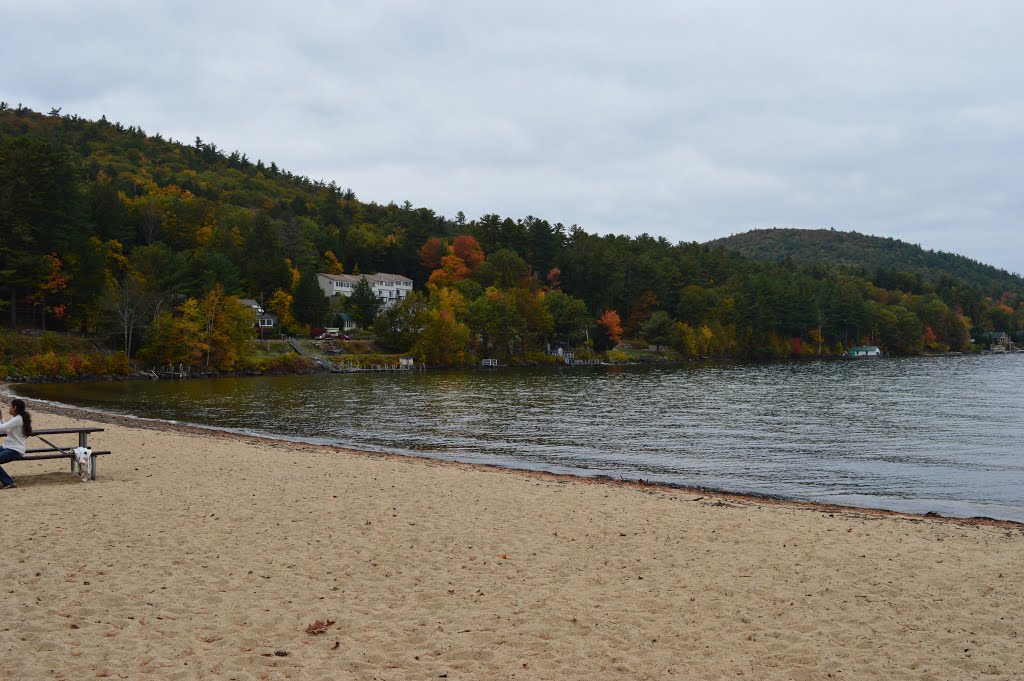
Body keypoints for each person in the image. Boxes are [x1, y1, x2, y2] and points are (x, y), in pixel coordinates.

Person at [0, 398, 33, 489]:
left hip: (15, 450)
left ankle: (9, 482)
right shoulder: (16, 417)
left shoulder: (18, 419)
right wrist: (1, 418)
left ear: (14, 408)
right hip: (7, 446)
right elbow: (6, 430)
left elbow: (1, 428)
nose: (9, 408)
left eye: (10, 406)